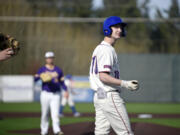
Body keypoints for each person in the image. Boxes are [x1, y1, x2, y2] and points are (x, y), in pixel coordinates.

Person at [89, 16, 139, 135]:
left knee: (101, 132)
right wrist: (125, 83)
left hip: (100, 95)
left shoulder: (101, 48)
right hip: (109, 96)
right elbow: (103, 77)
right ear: (107, 29)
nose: (120, 30)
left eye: (120, 27)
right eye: (116, 27)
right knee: (126, 133)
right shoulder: (107, 50)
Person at [34, 51, 68, 135]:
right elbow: (35, 79)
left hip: (56, 94)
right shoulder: (42, 69)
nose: (49, 59)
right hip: (45, 94)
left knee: (55, 114)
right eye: (48, 58)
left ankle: (57, 130)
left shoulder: (58, 70)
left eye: (51, 57)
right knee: (45, 114)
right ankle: (44, 131)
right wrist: (38, 76)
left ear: (53, 58)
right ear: (45, 59)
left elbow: (62, 82)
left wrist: (66, 90)